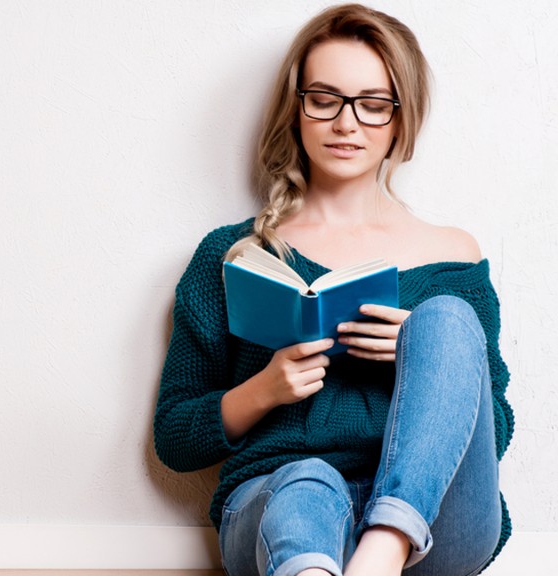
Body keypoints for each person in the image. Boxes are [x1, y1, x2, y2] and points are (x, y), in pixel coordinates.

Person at [152, 4, 514, 576]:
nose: (347, 124)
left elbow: (497, 429)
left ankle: (383, 548)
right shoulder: (233, 255)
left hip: (433, 524)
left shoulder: (455, 255)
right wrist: (265, 389)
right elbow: (175, 437)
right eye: (325, 99)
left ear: (401, 119)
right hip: (281, 507)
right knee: (306, 480)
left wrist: (425, 361)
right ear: (296, 110)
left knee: (442, 318)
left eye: (373, 105)